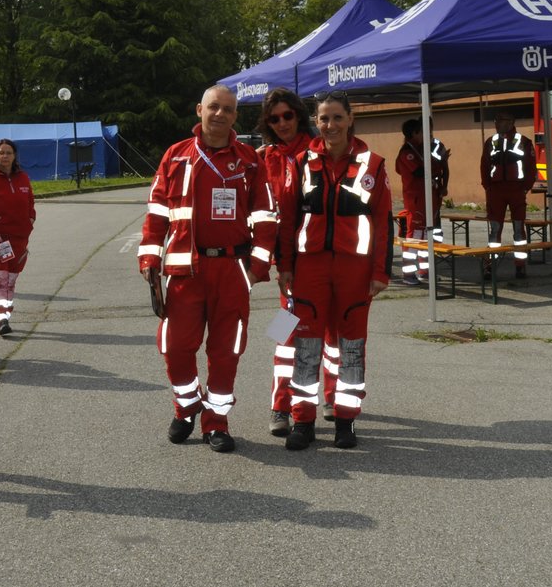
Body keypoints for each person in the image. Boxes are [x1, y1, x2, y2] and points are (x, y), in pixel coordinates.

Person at [137, 84, 278, 454]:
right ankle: (186, 407)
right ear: (199, 110)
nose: (220, 115)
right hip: (185, 270)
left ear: (236, 116)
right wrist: (150, 258)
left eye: (228, 109)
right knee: (175, 347)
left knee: (226, 351)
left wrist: (258, 265)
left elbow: (265, 217)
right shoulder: (176, 156)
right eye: (214, 107)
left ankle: (217, 421)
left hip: (232, 270)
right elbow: (156, 213)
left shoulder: (249, 160)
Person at [278, 90, 393, 451]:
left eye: (337, 118)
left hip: (355, 270)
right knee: (304, 346)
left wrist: (380, 272)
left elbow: (384, 223)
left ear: (350, 118)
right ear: (316, 121)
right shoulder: (301, 162)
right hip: (309, 267)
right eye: (324, 118)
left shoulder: (373, 164)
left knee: (351, 347)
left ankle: (346, 420)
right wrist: (285, 267)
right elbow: (287, 219)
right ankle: (302, 420)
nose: (330, 125)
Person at [255, 87, 321, 438]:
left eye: (287, 115)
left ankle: (336, 403)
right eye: (274, 118)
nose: (281, 123)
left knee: (327, 336)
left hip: (322, 259)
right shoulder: (264, 157)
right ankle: (280, 406)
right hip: (288, 264)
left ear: (299, 115)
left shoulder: (318, 153)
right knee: (285, 334)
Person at [0, 138, 35, 337]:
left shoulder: (22, 177)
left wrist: (31, 219)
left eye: (9, 153)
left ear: (14, 156)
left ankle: (5, 312)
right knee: (0, 278)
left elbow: (30, 201)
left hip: (20, 238)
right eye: (1, 153)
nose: (5, 156)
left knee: (11, 278)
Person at [480, 109, 536, 280]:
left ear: (511, 122)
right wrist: (487, 186)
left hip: (516, 189)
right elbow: (484, 165)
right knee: (495, 230)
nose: (496, 123)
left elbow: (531, 167)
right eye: (495, 120)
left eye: (500, 120)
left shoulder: (524, 142)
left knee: (519, 230)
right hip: (496, 190)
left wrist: (526, 187)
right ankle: (491, 266)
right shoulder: (491, 141)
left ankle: (520, 266)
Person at [395, 117, 449, 286]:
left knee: (426, 235)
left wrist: (440, 163)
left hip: (428, 197)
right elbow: (420, 172)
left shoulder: (420, 149)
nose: (426, 134)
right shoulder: (407, 152)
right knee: (414, 236)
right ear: (414, 133)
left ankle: (424, 271)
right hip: (416, 199)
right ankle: (409, 273)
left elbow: (434, 168)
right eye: (422, 131)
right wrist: (440, 163)